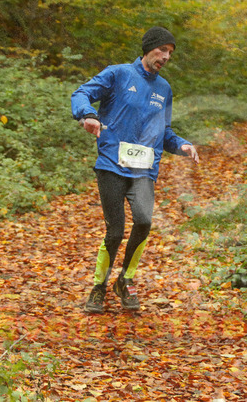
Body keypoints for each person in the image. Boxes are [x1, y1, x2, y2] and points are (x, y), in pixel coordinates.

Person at [71, 26, 199, 313]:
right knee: (115, 231)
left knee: (143, 223)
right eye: (162, 49)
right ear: (148, 48)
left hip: (143, 171)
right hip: (112, 165)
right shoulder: (118, 74)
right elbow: (81, 94)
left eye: (170, 53)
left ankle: (125, 280)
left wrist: (182, 144)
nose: (166, 57)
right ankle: (99, 287)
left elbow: (164, 132)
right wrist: (88, 114)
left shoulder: (164, 89)